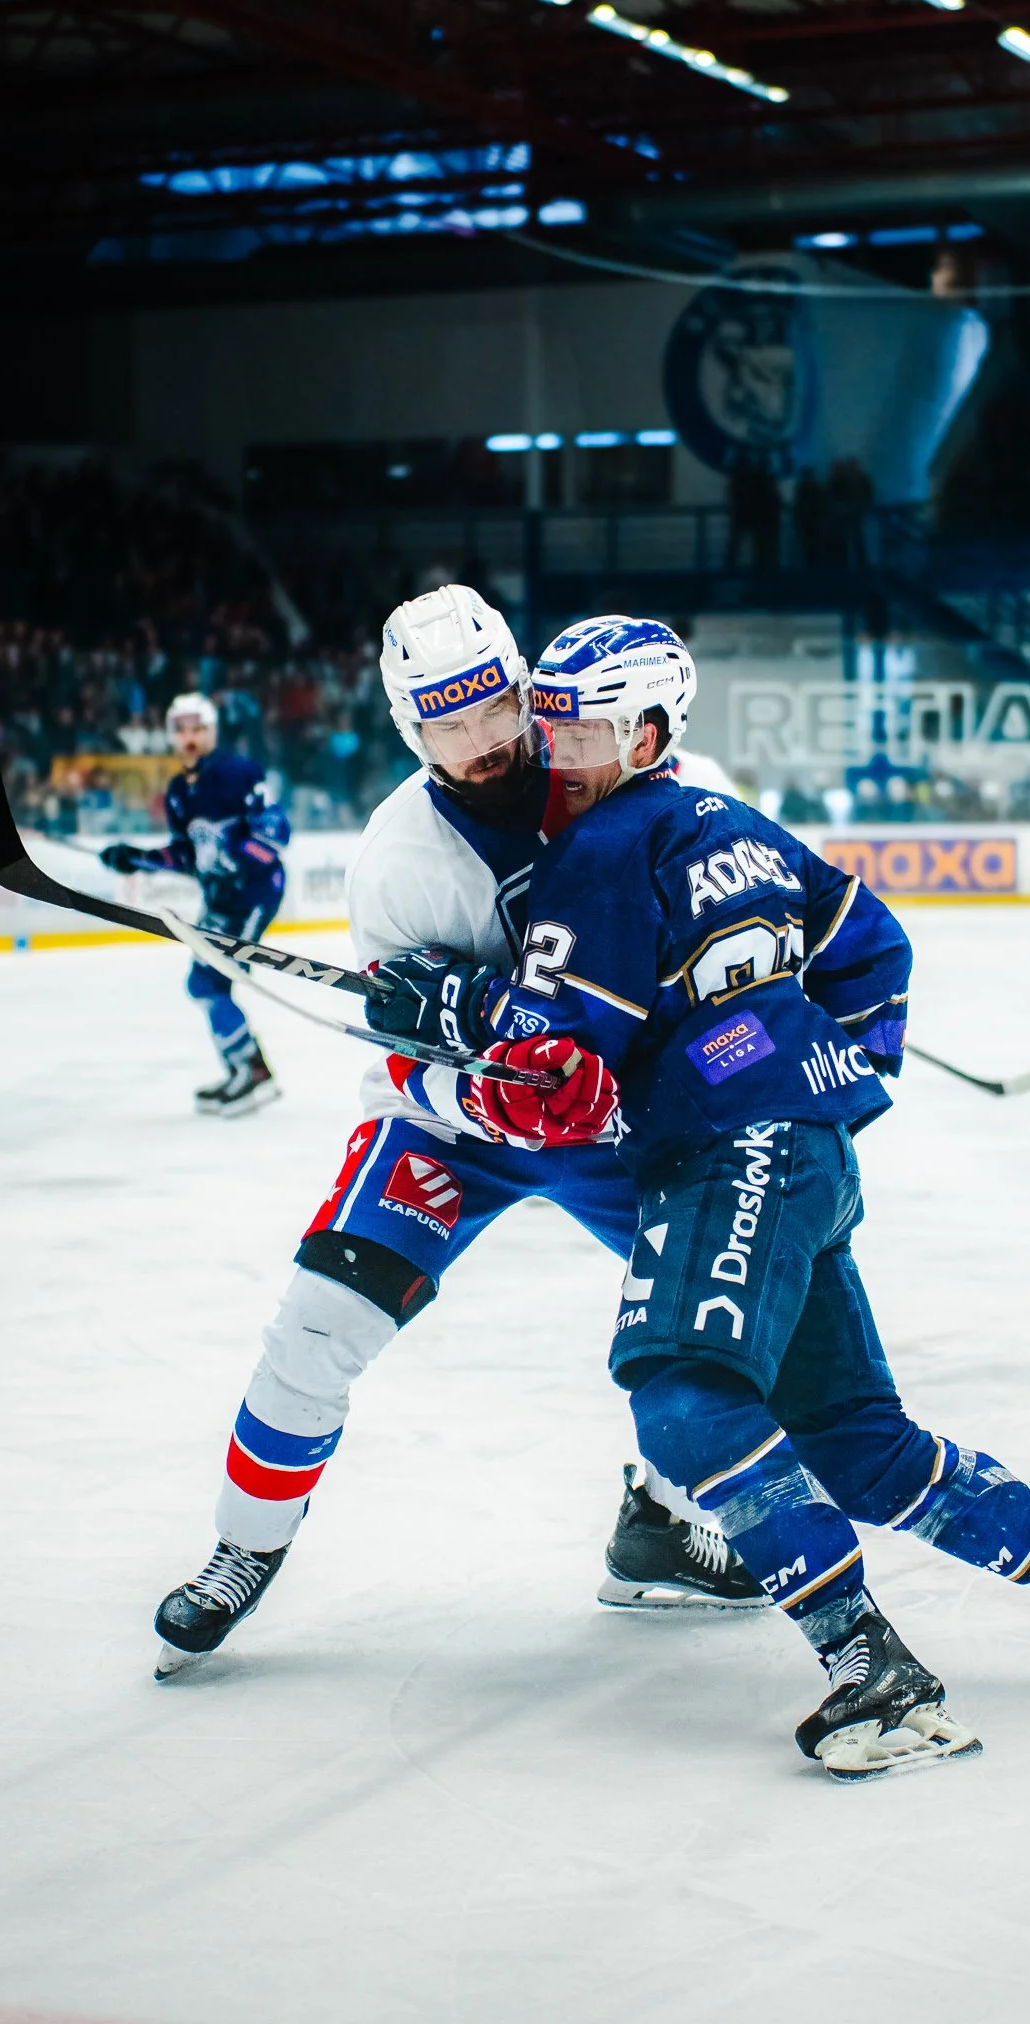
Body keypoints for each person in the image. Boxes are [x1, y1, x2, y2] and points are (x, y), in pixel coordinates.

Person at [381, 616, 1030, 1782]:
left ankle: (871, 1666)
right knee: (860, 1446)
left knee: (681, 1401)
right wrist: (814, 1062)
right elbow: (872, 950)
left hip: (731, 1156)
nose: (549, 746)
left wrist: (448, 1009)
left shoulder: (596, 850)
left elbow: (549, 1068)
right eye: (550, 718)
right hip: (805, 1153)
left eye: (575, 724)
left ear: (646, 729)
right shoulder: (734, 824)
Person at [150, 589, 769, 1683]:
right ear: (408, 725)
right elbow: (396, 1054)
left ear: (524, 683)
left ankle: (665, 1525)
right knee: (315, 1324)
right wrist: (483, 1101)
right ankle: (241, 1547)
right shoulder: (398, 857)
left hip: (617, 1119)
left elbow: (731, 949)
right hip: (458, 1134)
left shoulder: (631, 775)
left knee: (723, 1304)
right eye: (445, 719)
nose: (481, 740)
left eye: (492, 705)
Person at [99, 691, 288, 1116]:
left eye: (198, 728)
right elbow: (187, 856)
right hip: (222, 897)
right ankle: (247, 1071)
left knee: (209, 983)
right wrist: (137, 858)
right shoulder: (178, 792)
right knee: (204, 985)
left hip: (252, 893)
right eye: (182, 729)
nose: (190, 737)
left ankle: (253, 1075)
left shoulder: (237, 773)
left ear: (211, 732)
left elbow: (276, 834)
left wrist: (235, 861)